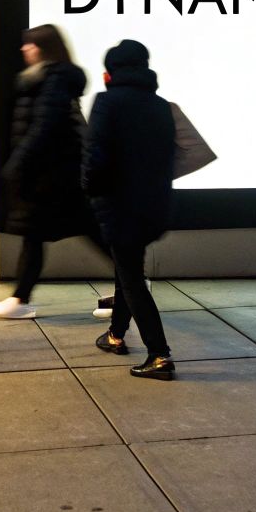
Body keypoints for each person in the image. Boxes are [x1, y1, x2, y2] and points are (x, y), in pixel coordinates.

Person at [84, 39, 177, 380]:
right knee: (128, 272)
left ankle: (159, 354)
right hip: (154, 207)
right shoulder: (160, 106)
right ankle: (115, 335)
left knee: (132, 280)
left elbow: (94, 158)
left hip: (119, 206)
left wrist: (90, 194)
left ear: (111, 73)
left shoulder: (107, 103)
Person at [0, 25, 94, 320]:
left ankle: (20, 298)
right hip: (52, 175)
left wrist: (17, 163)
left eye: (30, 45)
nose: (24, 49)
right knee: (42, 235)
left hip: (52, 177)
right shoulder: (46, 80)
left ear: (43, 49)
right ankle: (21, 297)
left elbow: (43, 127)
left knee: (45, 233)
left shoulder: (53, 80)